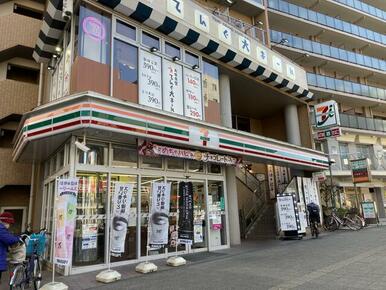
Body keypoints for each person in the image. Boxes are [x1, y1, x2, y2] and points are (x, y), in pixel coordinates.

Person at [0, 212, 20, 282]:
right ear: (5, 222)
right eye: (9, 223)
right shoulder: (1, 229)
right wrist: (18, 238)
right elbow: (10, 240)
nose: (9, 225)